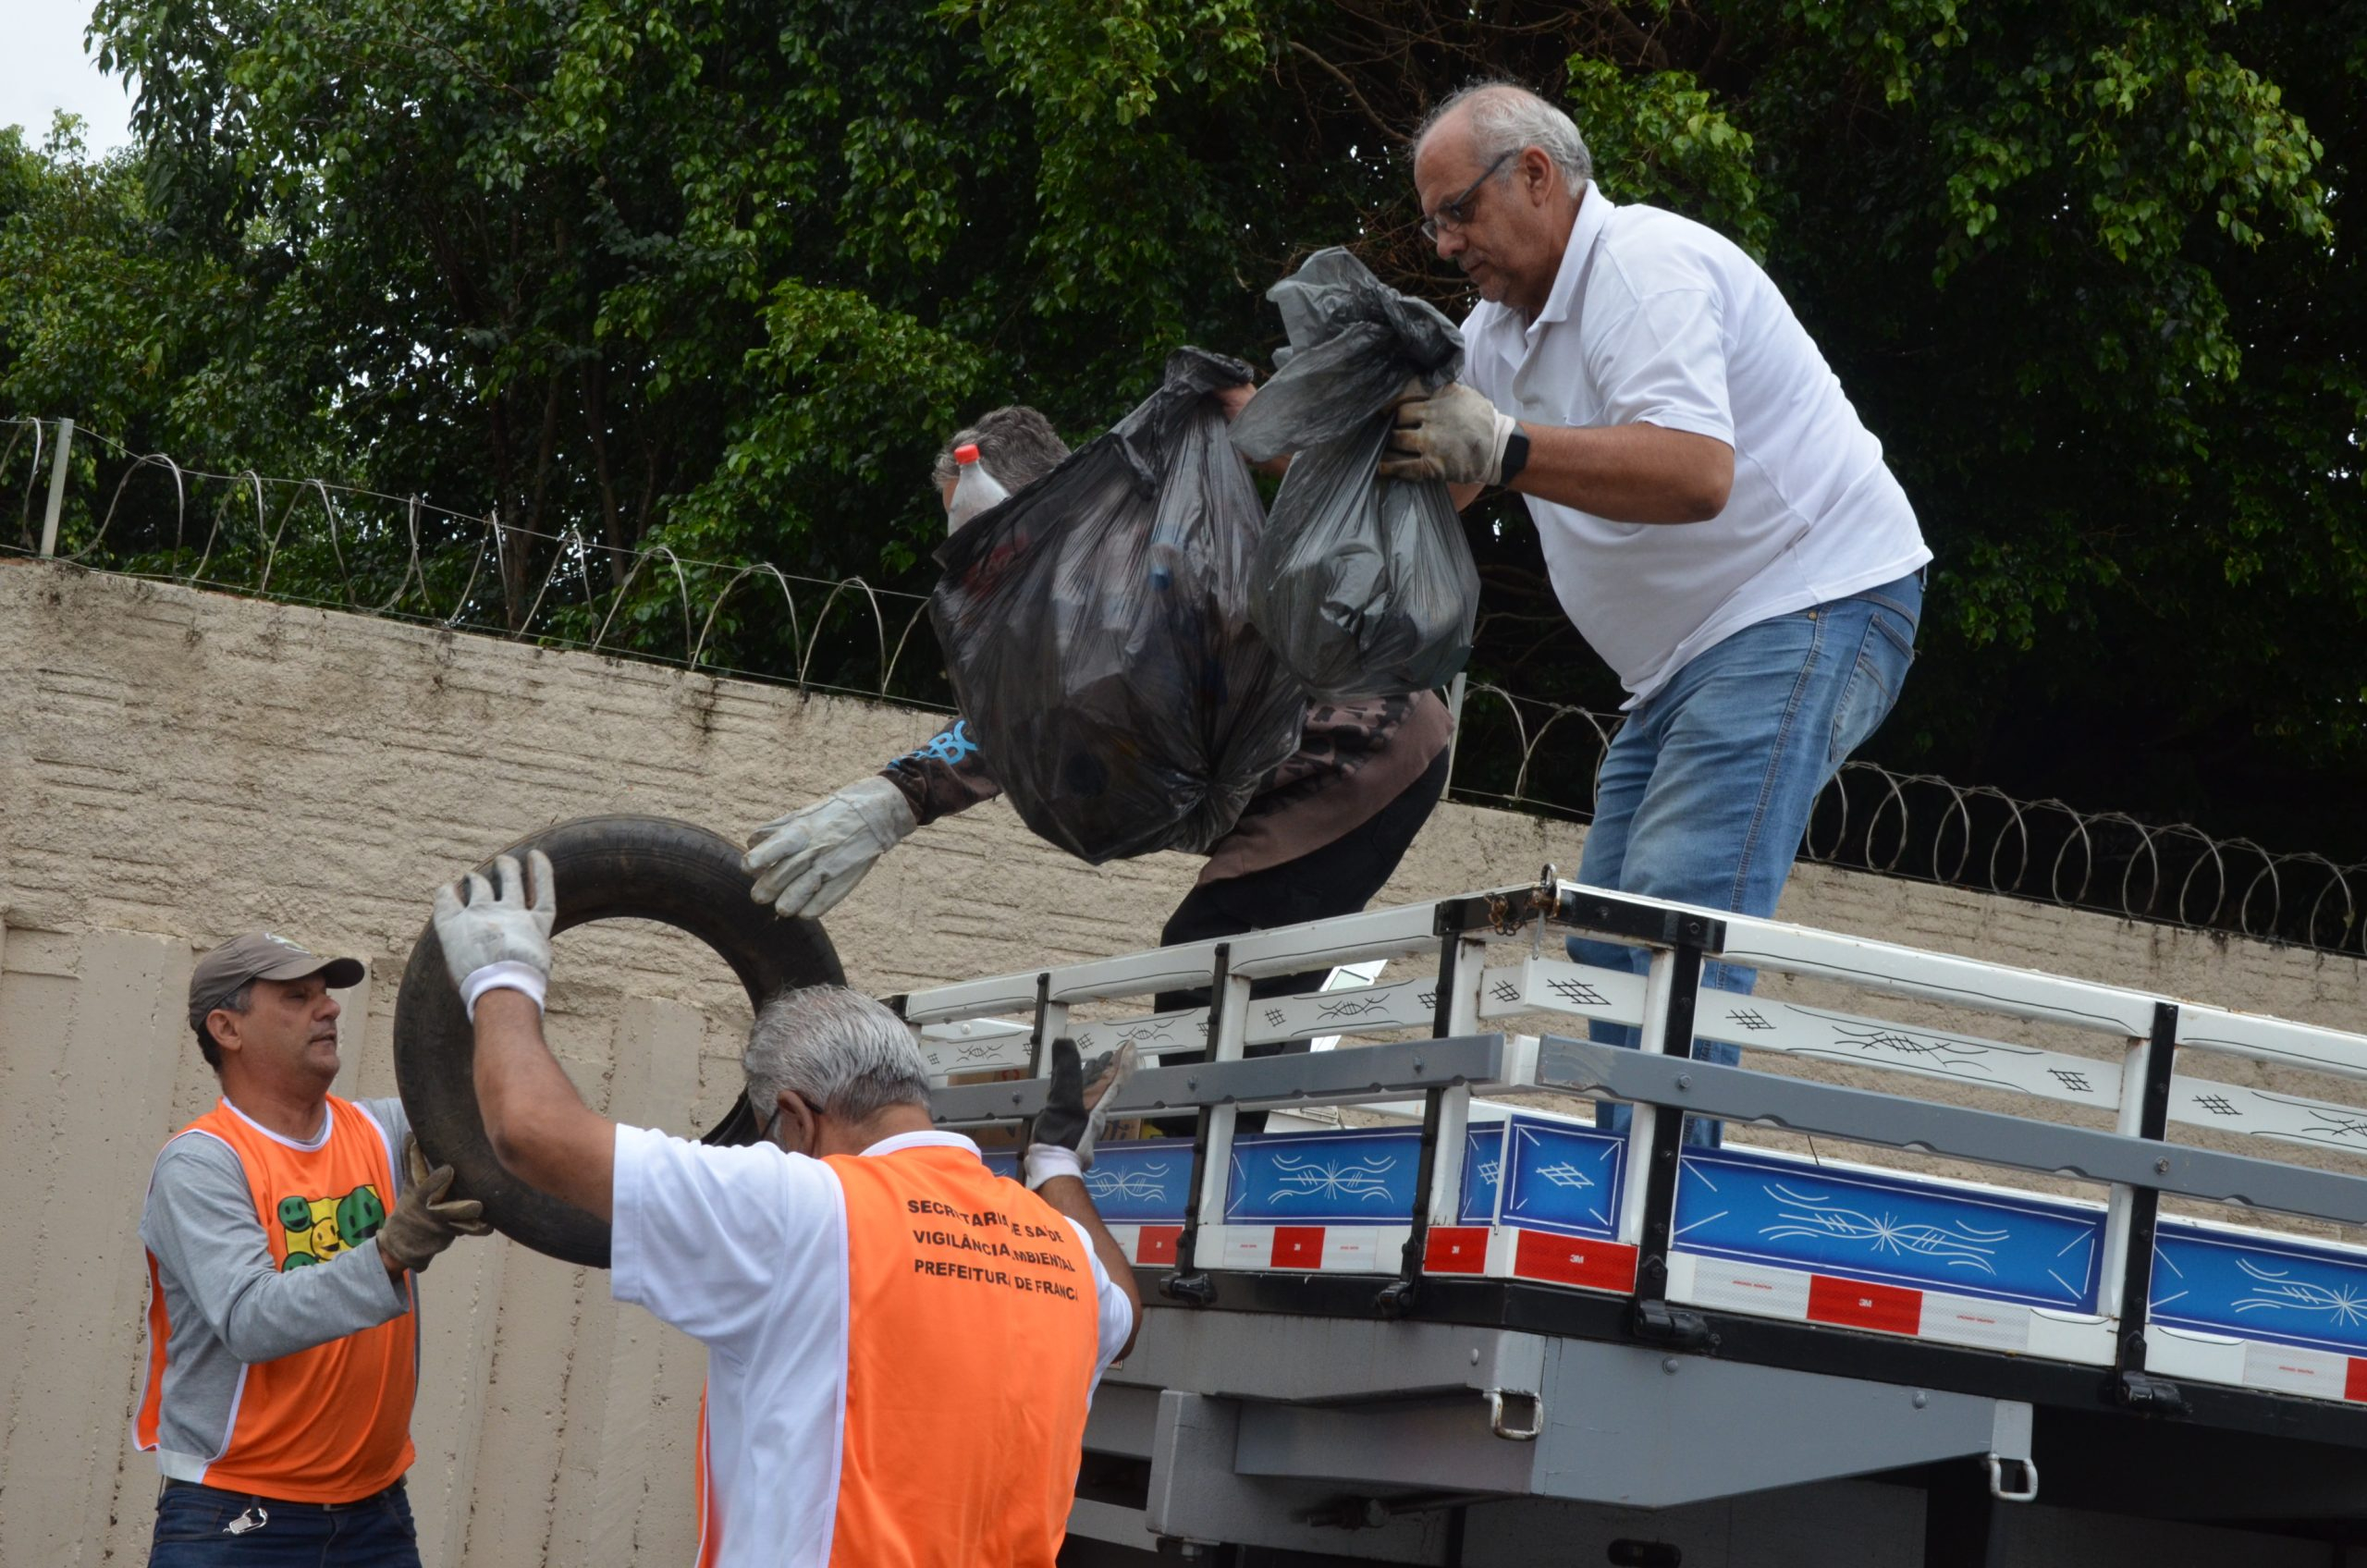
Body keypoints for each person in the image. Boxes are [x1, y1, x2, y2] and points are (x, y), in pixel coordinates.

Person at [1389, 82, 1932, 1145]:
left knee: (1670, 930)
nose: (1446, 243)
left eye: (1457, 211)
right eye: (1433, 221)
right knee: (1607, 946)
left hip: (1807, 600)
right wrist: (1284, 446)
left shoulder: (1639, 266)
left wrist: (1503, 448)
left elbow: (1694, 473)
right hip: (1687, 663)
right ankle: (1634, 1189)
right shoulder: (1500, 331)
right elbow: (1434, 472)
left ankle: (1651, 1224)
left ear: (1536, 176)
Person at [436, 851, 1138, 1568]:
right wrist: (1055, 1165)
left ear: (797, 1118)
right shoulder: (1067, 1254)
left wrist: (503, 975)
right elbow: (1125, 1317)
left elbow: (529, 1131)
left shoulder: (810, 1210)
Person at [745, 404, 1455, 1014]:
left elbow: (1040, 712)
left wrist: (899, 797)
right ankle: (1209, 1140)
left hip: (1366, 743)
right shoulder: (1072, 585)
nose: (972, 562)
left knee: (1214, 968)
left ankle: (1205, 1159)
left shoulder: (1112, 573)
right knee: (1222, 976)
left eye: (978, 537)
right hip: (1328, 756)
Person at [137, 932, 487, 1566]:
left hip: (377, 1514)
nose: (329, 1009)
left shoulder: (384, 1133)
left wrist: (497, 985)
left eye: (326, 995)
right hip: (235, 1517)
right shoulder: (202, 1162)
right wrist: (390, 1251)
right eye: (298, 997)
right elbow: (250, 1317)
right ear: (227, 1028)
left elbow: (502, 1121)